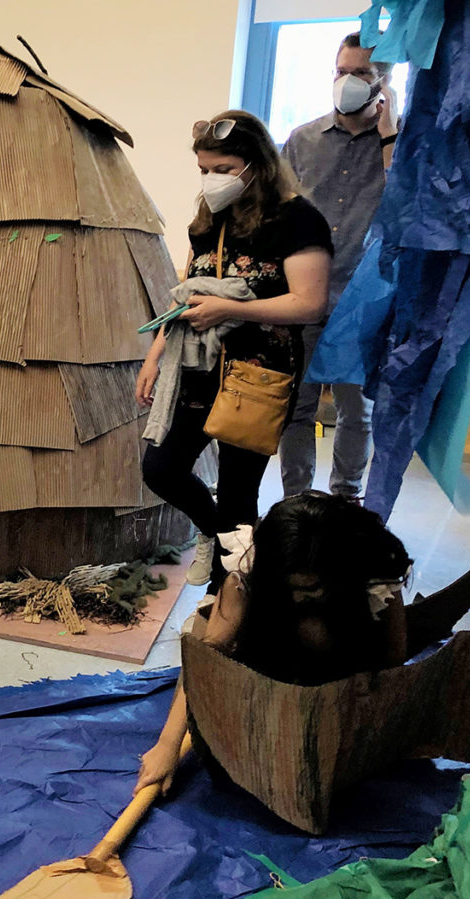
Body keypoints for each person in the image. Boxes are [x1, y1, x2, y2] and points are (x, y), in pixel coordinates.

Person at [136, 111, 332, 591]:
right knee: (160, 468)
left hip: (259, 375)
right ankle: (223, 538)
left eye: (223, 169)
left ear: (256, 164)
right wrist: (155, 355)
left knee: (239, 492)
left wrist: (231, 309)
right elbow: (187, 294)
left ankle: (226, 602)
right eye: (205, 169)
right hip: (199, 370)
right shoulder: (208, 222)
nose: (212, 180)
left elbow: (309, 303)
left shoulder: (298, 218)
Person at [134, 491, 411, 796]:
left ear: (337, 575)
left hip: (343, 674)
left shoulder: (372, 574)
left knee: (316, 632)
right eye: (288, 586)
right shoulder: (249, 576)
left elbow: (393, 657)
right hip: (264, 664)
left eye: (309, 588)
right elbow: (205, 661)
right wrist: (167, 745)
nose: (296, 597)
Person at [278, 33, 398, 501]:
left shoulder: (400, 146)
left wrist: (390, 134)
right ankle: (297, 502)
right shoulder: (303, 140)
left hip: (363, 299)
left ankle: (345, 502)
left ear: (384, 83)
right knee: (297, 408)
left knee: (356, 412)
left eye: (361, 74)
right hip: (303, 295)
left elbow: (407, 205)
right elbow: (278, 212)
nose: (347, 82)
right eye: (341, 72)